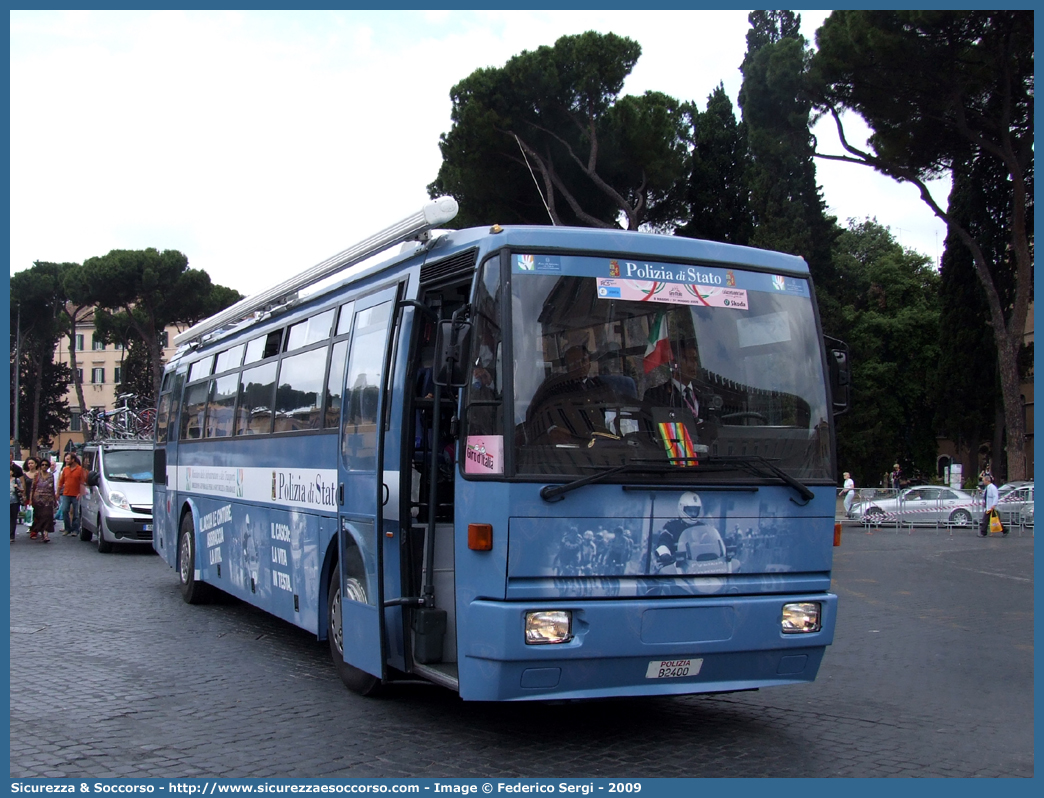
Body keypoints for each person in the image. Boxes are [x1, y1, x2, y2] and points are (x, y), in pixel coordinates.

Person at [57, 452, 87, 537]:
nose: (66, 460)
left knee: (76, 514)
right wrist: (58, 492)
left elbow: (83, 482)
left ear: (73, 460)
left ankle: (75, 529)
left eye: (68, 459)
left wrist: (80, 493)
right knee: (64, 510)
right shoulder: (65, 469)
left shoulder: (80, 469)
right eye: (65, 459)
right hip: (66, 493)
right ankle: (67, 528)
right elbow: (61, 481)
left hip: (76, 494)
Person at [28, 456, 57, 542]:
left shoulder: (51, 476)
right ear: (40, 466)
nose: (44, 466)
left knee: (48, 516)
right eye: (43, 465)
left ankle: (46, 534)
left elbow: (52, 489)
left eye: (46, 465)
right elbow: (33, 488)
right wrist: (30, 500)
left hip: (48, 499)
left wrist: (55, 500)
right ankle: (40, 531)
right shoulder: (37, 475)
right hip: (38, 499)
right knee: (40, 517)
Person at [979, 472, 1002, 537]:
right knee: (993, 520)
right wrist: (981, 492)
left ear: (987, 480)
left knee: (985, 520)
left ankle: (983, 532)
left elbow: (995, 496)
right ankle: (1004, 530)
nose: (983, 482)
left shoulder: (992, 487)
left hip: (991, 507)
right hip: (988, 506)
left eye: (984, 481)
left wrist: (994, 505)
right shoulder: (988, 487)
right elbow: (986, 495)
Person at [10, 463, 25, 541]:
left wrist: (17, 487)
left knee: (13, 518)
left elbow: (22, 490)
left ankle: (11, 536)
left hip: (14, 501)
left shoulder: (16, 480)